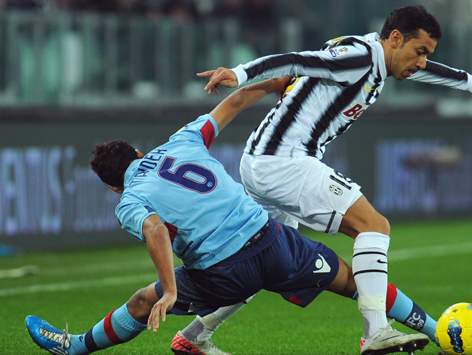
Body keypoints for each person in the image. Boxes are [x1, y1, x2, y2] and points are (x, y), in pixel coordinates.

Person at [25, 78, 430, 355]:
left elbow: (154, 230)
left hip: (224, 275)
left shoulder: (129, 199)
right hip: (273, 245)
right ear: (138, 152)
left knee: (140, 302)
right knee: (353, 278)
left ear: (112, 185)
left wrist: (167, 290)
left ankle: (76, 346)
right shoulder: (180, 143)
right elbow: (235, 101)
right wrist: (274, 85)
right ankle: (420, 329)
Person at [198, 5, 472, 353]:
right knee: (374, 226)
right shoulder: (358, 58)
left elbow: (421, 71)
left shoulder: (377, 60)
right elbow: (295, 59)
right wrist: (240, 72)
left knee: (264, 262)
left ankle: (195, 335)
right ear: (396, 38)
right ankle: (375, 332)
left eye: (427, 55)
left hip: (264, 162)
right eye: (420, 52)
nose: (421, 62)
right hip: (284, 162)